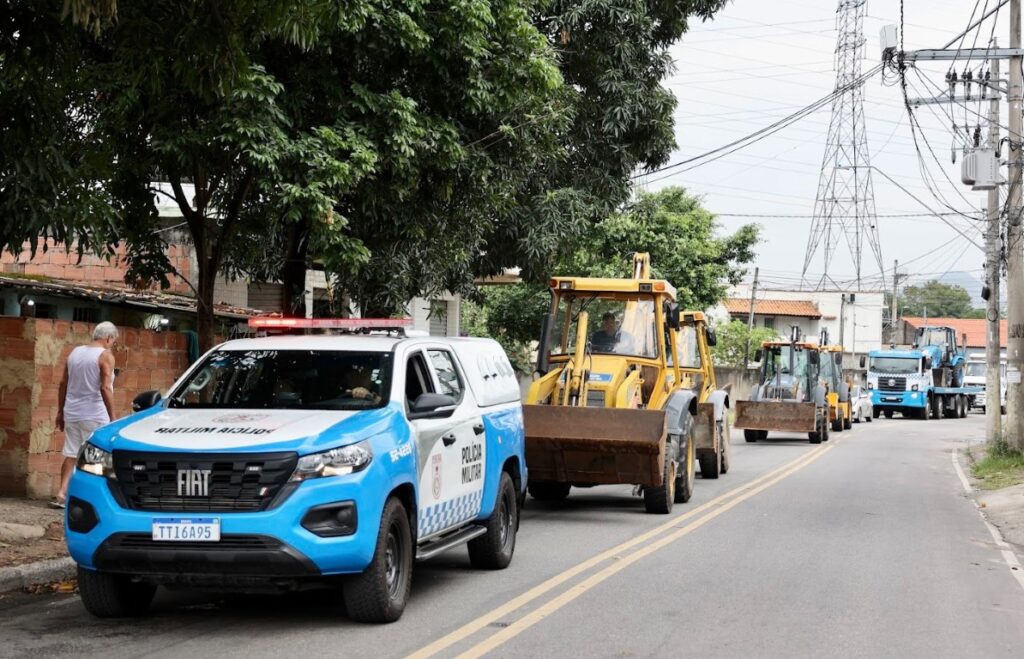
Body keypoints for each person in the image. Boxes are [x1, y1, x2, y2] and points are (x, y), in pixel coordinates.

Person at [53, 322, 118, 508]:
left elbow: (63, 383)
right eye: (113, 341)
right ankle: (94, 499)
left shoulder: (75, 353)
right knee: (97, 456)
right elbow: (105, 387)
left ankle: (62, 493)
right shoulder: (105, 355)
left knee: (72, 454)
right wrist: (113, 418)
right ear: (108, 338)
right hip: (95, 414)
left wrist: (60, 411)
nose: (112, 344)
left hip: (72, 412)